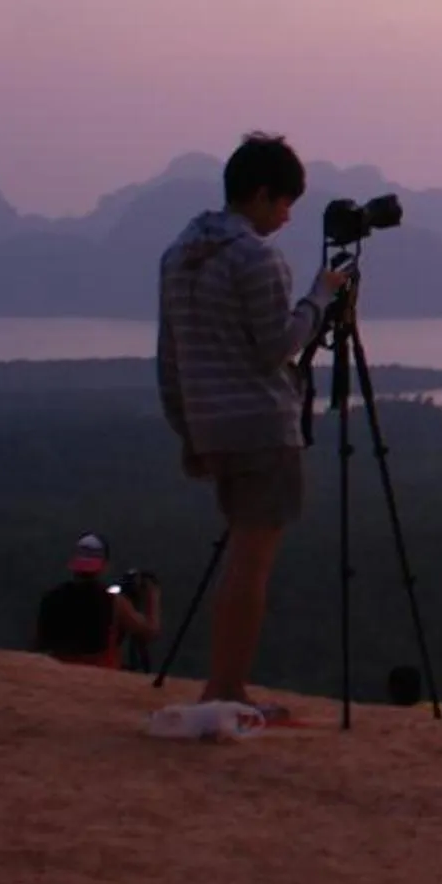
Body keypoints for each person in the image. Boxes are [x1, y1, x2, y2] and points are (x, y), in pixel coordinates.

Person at [156, 134, 348, 713]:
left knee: (241, 555)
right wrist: (319, 297)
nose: (287, 218)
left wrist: (188, 430)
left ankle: (223, 684)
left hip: (212, 427)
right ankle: (227, 690)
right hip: (261, 428)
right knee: (251, 563)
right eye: (285, 203)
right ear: (262, 194)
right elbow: (276, 347)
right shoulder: (257, 258)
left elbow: (169, 356)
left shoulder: (180, 253)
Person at [34, 532, 161, 671]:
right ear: (104, 567)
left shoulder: (50, 598)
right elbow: (149, 632)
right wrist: (152, 596)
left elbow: (38, 644)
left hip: (58, 673)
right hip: (101, 673)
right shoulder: (115, 603)